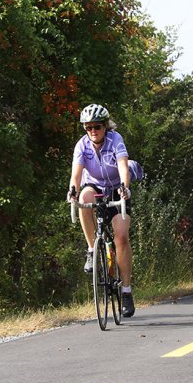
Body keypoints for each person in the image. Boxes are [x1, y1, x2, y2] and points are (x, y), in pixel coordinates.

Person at [66, 104, 136, 318]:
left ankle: (126, 291)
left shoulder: (115, 139)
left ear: (105, 126)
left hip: (116, 188)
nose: (93, 131)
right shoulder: (82, 145)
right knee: (83, 197)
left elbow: (123, 166)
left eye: (97, 126)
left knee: (121, 237)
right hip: (94, 187)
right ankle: (91, 249)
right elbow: (76, 175)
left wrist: (125, 187)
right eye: (88, 127)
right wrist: (72, 192)